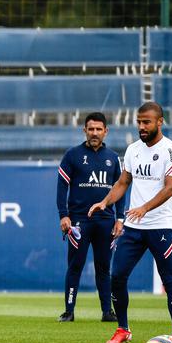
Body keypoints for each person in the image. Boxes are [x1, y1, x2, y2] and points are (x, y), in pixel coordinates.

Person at [88, 102, 172, 343]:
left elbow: (170, 188)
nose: (141, 127)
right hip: (134, 227)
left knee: (169, 279)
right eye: (139, 122)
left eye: (146, 122)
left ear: (159, 122)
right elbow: (123, 181)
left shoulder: (171, 151)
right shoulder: (132, 150)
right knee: (117, 276)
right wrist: (105, 201)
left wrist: (144, 208)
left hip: (161, 226)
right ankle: (123, 329)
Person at [55, 112, 123, 322]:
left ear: (105, 131)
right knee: (75, 266)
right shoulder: (72, 155)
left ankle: (107, 311)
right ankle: (69, 311)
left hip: (105, 222)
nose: (94, 133)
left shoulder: (113, 158)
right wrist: (63, 215)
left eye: (98, 129)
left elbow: (120, 189)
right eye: (91, 129)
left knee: (104, 268)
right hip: (79, 222)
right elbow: (61, 187)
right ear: (84, 130)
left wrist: (120, 218)